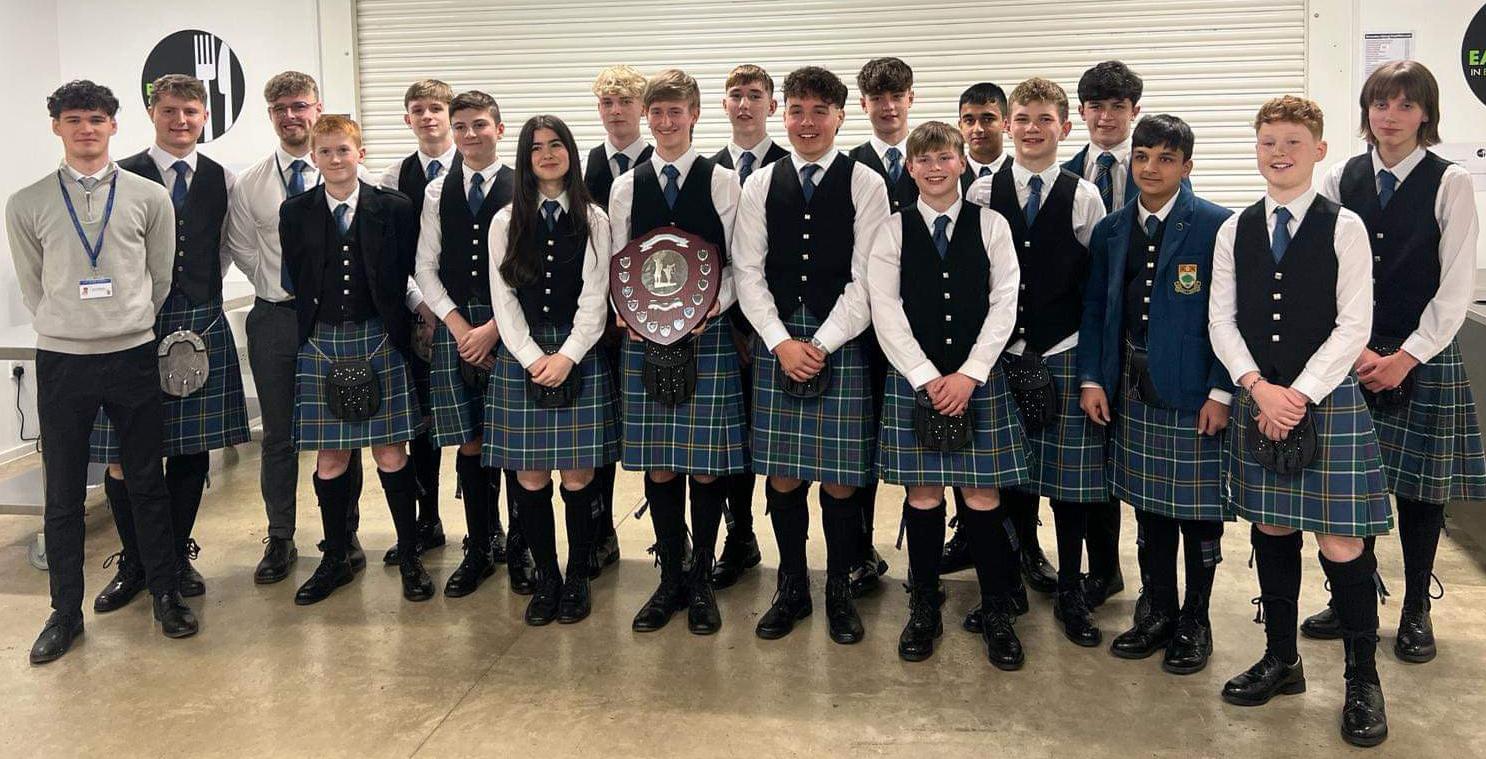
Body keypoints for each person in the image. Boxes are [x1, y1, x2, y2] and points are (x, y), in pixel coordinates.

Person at [1209, 95, 1391, 747]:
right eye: (1268, 142)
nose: (1279, 153)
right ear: (1256, 150)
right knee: (1272, 527)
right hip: (1261, 400)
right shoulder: (1234, 229)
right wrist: (1258, 388)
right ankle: (1281, 659)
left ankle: (1362, 680)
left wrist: (1300, 395)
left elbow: (1354, 324)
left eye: (1292, 142)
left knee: (1342, 542)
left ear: (1319, 149)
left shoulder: (1345, 227)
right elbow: (1221, 320)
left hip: (1328, 403)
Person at [1301, 60, 1486, 664]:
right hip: (1350, 357)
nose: (1391, 116)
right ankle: (1354, 597)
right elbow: (1324, 272)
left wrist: (1407, 356)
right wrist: (1354, 348)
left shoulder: (1450, 181)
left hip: (1422, 355)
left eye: (1406, 105)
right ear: (1367, 111)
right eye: (1381, 103)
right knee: (1354, 486)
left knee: (1420, 493)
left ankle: (1415, 609)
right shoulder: (1340, 177)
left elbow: (1455, 286)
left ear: (1426, 113)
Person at [7, 80, 198, 663]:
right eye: (73, 120)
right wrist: (69, 322)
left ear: (114, 125)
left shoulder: (148, 197)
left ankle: (164, 592)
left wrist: (126, 320)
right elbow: (33, 283)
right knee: (63, 492)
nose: (85, 129)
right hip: (63, 360)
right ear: (57, 128)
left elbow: (159, 277)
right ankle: (65, 612)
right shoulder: (27, 202)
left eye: (96, 119)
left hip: (131, 354)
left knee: (145, 480)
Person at [733, 66, 891, 644]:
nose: (807, 122)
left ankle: (839, 591)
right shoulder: (759, 184)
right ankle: (792, 587)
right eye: (797, 110)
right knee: (782, 476)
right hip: (779, 339)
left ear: (840, 117)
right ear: (783, 114)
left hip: (839, 340)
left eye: (819, 111)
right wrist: (780, 342)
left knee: (842, 480)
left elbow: (868, 279)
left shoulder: (866, 183)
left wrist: (819, 344)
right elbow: (747, 271)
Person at [867, 120, 1028, 667]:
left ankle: (997, 610)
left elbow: (1005, 301)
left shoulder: (992, 225)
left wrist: (970, 373)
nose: (935, 168)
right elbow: (885, 309)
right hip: (917, 382)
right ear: (910, 168)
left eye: (944, 158)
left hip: (976, 381)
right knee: (924, 496)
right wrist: (923, 375)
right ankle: (923, 607)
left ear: (962, 162)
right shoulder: (892, 230)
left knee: (982, 497)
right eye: (924, 160)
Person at [1077, 114, 1233, 675]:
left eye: (1166, 158)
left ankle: (1196, 619)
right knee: (1149, 510)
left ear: (1187, 166)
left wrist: (1222, 390)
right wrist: (1093, 378)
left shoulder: (1218, 225)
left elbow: (1231, 317)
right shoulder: (1112, 228)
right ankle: (1158, 610)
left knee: (1199, 514)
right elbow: (1096, 308)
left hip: (1194, 390)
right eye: (1142, 157)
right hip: (1130, 385)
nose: (1151, 168)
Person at [88, 74, 250, 611]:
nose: (181, 121)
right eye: (170, 111)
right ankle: (137, 561)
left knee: (189, 449)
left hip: (199, 319)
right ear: (152, 114)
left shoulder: (223, 178)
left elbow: (226, 247)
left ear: (204, 117)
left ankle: (176, 556)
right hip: (132, 325)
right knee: (122, 455)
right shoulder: (120, 174)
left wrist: (200, 293)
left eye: (191, 112)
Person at [963, 77, 1107, 645]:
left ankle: (1071, 590)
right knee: (1005, 478)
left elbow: (1095, 290)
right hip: (999, 357)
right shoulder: (981, 191)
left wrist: (1091, 370)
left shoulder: (1084, 195)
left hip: (1062, 352)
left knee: (1069, 485)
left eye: (1045, 119)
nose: (1031, 129)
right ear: (1007, 124)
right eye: (1021, 118)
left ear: (1065, 128)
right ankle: (1010, 583)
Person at [608, 69, 746, 634]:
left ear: (694, 115)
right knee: (661, 465)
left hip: (706, 337)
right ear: (647, 117)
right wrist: (626, 312)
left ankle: (702, 580)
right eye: (657, 112)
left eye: (676, 111)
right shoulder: (625, 186)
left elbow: (739, 263)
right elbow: (618, 262)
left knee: (706, 468)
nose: (666, 122)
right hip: (645, 341)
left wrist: (706, 310)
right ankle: (670, 577)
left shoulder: (724, 181)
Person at [279, 115, 431, 605]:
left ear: (359, 154)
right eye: (325, 152)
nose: (335, 159)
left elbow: (410, 270)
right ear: (314, 158)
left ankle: (410, 555)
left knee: (391, 453)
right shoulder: (295, 212)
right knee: (331, 457)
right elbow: (295, 276)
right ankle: (337, 557)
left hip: (379, 336)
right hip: (322, 340)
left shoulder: (395, 207)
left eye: (343, 150)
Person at [225, 71, 368, 584]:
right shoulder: (251, 183)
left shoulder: (348, 173)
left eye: (300, 105)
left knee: (344, 428)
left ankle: (344, 533)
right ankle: (280, 536)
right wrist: (279, 284)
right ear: (270, 115)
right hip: (278, 318)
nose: (291, 116)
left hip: (336, 322)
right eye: (280, 108)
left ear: (317, 108)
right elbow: (243, 247)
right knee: (279, 437)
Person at [486, 114, 619, 625]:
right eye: (536, 147)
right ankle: (547, 579)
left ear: (570, 153)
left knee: (580, 474)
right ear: (525, 158)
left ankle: (579, 576)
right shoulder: (505, 221)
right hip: (524, 354)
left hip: (575, 351)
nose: (546, 154)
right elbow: (503, 301)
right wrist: (531, 357)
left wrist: (567, 355)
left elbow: (596, 297)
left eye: (556, 144)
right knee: (530, 474)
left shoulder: (594, 219)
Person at [412, 89, 531, 597]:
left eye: (479, 124)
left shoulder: (524, 186)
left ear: (499, 129)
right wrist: (460, 327)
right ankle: (480, 546)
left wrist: (496, 328)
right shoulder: (437, 191)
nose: (469, 134)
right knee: (470, 441)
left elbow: (532, 269)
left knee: (518, 444)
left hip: (513, 330)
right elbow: (425, 267)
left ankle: (522, 549)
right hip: (458, 330)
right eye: (460, 126)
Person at [942, 80, 1051, 599]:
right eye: (969, 119)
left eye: (988, 117)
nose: (979, 128)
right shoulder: (961, 183)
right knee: (968, 456)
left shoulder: (1045, 180)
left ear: (1003, 123)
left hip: (1037, 343)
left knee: (1019, 461)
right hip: (974, 348)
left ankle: (1026, 547)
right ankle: (971, 538)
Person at [1062, 60, 1148, 607]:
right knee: (1089, 458)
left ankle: (1151, 578)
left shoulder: (1157, 166)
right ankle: (1103, 569)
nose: (1107, 117)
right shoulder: (1067, 173)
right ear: (1081, 112)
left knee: (1139, 458)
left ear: (1134, 111)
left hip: (1141, 335)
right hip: (1082, 335)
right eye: (1096, 106)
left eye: (1118, 106)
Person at [708, 63, 789, 589]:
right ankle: (739, 537)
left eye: (755, 95)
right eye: (735, 95)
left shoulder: (791, 164)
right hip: (721, 329)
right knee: (728, 444)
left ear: (771, 106)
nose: (744, 104)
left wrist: (765, 328)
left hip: (781, 328)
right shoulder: (706, 169)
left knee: (782, 448)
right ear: (723, 105)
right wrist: (731, 324)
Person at [843, 55, 921, 596]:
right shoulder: (850, 167)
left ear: (911, 99)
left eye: (897, 96)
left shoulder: (935, 158)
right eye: (877, 98)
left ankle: (927, 556)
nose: (888, 107)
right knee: (859, 444)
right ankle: (858, 550)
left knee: (929, 446)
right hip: (862, 330)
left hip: (926, 329)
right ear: (863, 105)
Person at [376, 78, 459, 566]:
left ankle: (492, 530)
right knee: (423, 427)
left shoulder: (477, 167)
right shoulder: (392, 178)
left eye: (436, 108)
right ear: (407, 118)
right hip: (419, 318)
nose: (428, 117)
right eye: (418, 109)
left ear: (449, 115)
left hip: (473, 319)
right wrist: (420, 303)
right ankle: (427, 522)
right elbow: (391, 257)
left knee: (479, 428)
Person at [582, 64, 653, 570]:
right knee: (599, 433)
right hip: (597, 323)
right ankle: (600, 530)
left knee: (654, 433)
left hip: (650, 319)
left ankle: (674, 537)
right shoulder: (586, 164)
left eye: (625, 102)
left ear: (642, 109)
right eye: (607, 103)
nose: (615, 111)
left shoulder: (660, 160)